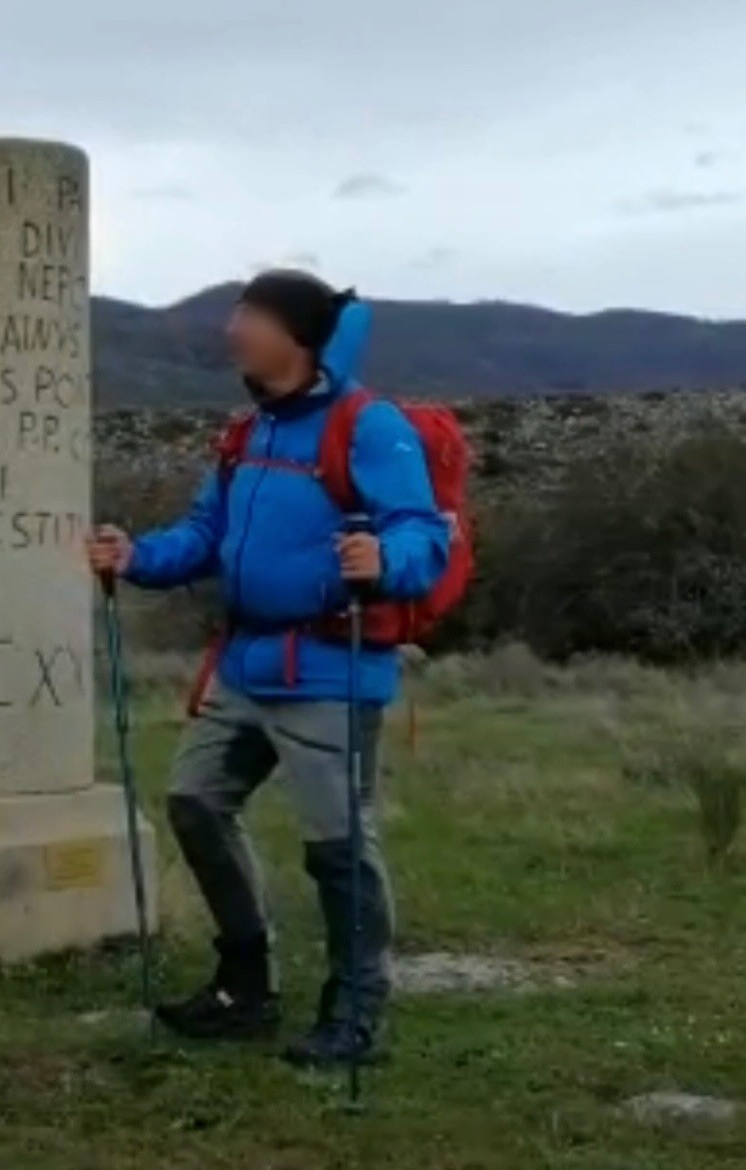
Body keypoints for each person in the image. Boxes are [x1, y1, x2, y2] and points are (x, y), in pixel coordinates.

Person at [85, 269, 451, 1068]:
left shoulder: (369, 425)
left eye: (249, 315)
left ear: (295, 334)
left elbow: (426, 534)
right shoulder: (245, 434)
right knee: (195, 801)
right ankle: (245, 986)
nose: (232, 329)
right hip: (247, 665)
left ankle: (357, 1010)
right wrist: (137, 556)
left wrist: (384, 558)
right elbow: (204, 534)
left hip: (330, 668)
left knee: (339, 846)